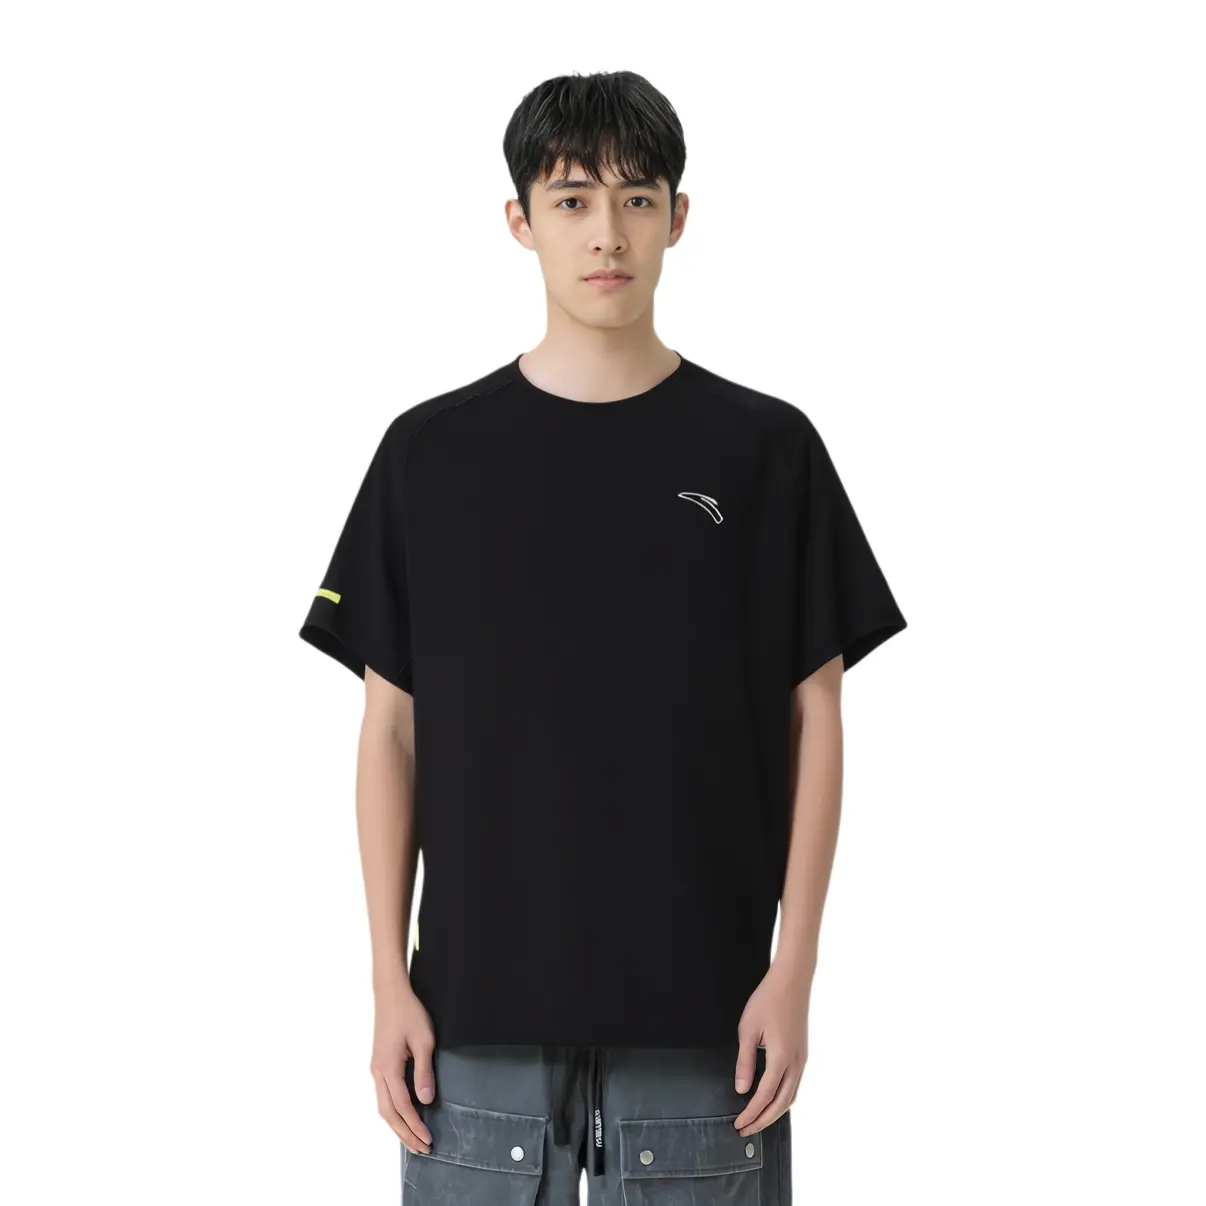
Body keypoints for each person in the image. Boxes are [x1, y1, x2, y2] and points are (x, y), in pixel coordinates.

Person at [298, 69, 906, 1206]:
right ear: (519, 220)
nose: (607, 233)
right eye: (572, 200)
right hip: (471, 1022)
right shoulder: (430, 454)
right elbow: (390, 732)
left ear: (679, 217)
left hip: (710, 1019)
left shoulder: (765, 451)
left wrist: (794, 970)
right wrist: (387, 979)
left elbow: (815, 717)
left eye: (637, 198)